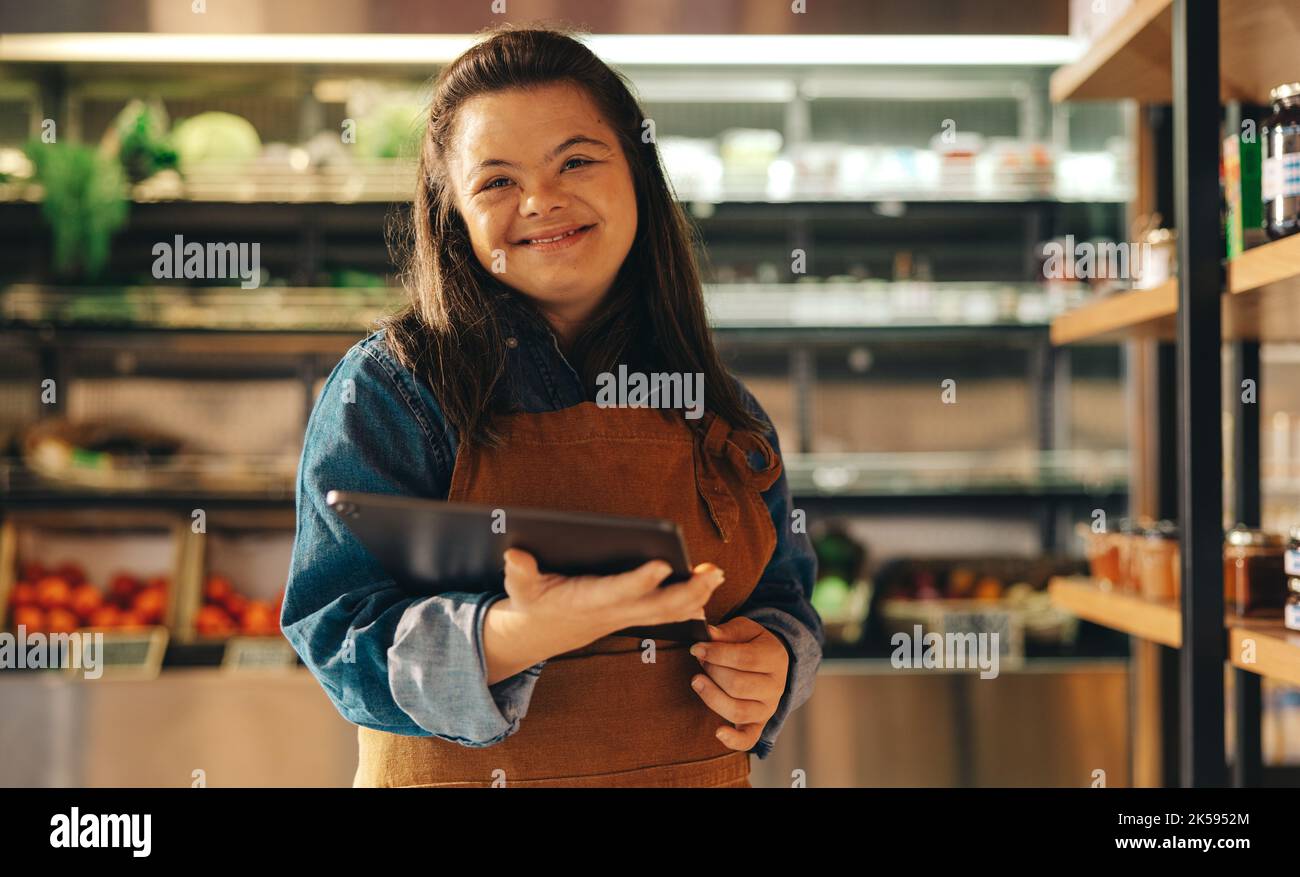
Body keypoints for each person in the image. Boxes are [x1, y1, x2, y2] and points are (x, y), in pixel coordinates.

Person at [283, 25, 823, 788]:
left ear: (637, 171)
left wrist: (775, 659)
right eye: (497, 181)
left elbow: (781, 593)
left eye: (576, 160)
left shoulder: (717, 401)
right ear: (454, 215)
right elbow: (333, 629)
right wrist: (507, 634)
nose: (542, 200)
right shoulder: (392, 389)